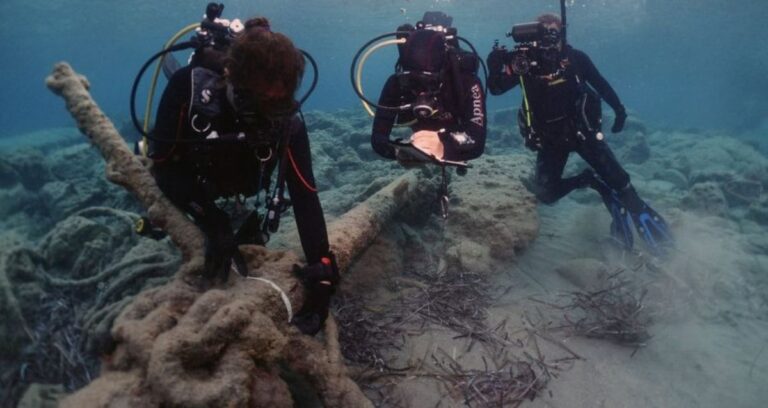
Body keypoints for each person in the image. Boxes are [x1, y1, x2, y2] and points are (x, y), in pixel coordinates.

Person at [148, 16, 337, 334]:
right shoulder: (189, 88)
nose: (264, 115)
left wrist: (323, 267)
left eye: (277, 103)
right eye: (256, 101)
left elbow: (304, 195)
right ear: (228, 77)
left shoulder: (286, 120)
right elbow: (163, 169)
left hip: (244, 181)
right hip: (197, 180)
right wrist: (212, 220)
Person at [486, 13, 672, 255]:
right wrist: (494, 66)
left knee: (622, 184)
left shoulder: (575, 58)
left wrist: (619, 110)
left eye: (555, 31)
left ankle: (639, 215)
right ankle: (587, 179)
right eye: (544, 31)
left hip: (583, 133)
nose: (550, 36)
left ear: (563, 32)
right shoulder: (524, 61)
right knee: (546, 194)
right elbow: (497, 88)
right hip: (550, 140)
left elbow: (600, 83)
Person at [370, 11, 487, 165]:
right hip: (421, 138)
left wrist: (444, 145)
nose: (423, 90)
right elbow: (378, 139)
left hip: (455, 131)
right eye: (414, 80)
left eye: (430, 81)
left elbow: (477, 141)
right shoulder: (397, 82)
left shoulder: (465, 81)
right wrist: (400, 152)